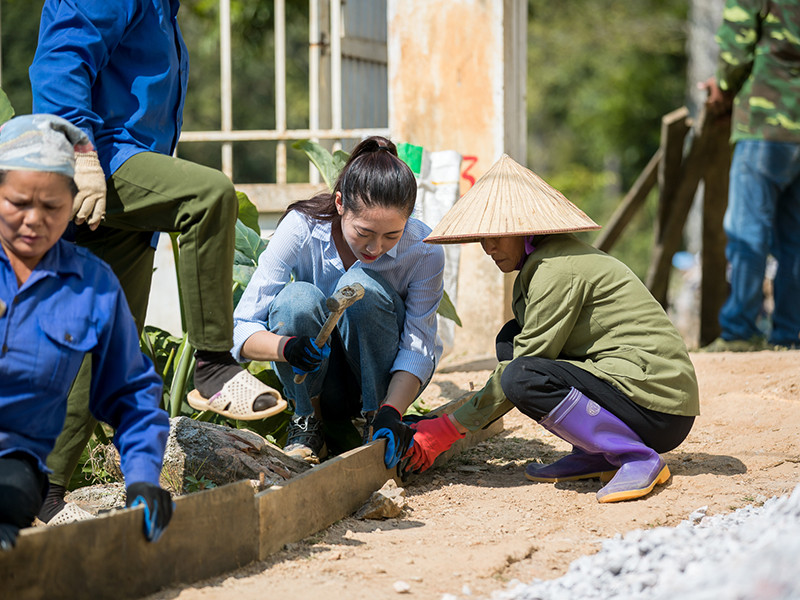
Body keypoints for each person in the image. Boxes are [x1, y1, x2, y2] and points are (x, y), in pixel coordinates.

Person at [28, 0, 285, 524]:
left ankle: (42, 493)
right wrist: (79, 153)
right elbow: (61, 59)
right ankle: (213, 366)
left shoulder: (162, 8)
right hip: (98, 161)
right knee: (207, 197)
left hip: (117, 190)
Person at [406, 155, 699, 503]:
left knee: (522, 376)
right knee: (511, 339)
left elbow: (526, 363)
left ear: (526, 228)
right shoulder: (546, 261)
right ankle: (595, 452)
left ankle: (634, 456)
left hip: (658, 407)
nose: (488, 248)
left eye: (496, 235)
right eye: (482, 237)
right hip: (638, 392)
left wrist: (449, 427)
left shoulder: (557, 269)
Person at [0, 114, 173, 549]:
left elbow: (130, 392)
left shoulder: (91, 287)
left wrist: (142, 478)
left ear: (73, 203)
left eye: (52, 207)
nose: (34, 220)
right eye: (18, 203)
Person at [232, 136, 445, 466]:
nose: (375, 248)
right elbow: (242, 327)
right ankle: (308, 424)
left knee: (360, 287)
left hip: (389, 380)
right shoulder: (301, 228)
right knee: (296, 299)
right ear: (340, 203)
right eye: (364, 232)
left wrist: (392, 410)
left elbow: (418, 347)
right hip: (319, 380)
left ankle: (375, 421)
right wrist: (287, 347)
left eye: (392, 235)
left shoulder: (424, 250)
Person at [700, 0, 800, 352]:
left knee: (747, 231)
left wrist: (722, 87)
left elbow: (736, 49)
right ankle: (789, 334)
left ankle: (739, 331)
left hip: (765, 122)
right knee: (795, 238)